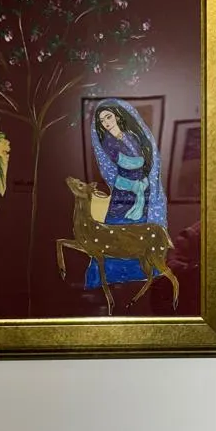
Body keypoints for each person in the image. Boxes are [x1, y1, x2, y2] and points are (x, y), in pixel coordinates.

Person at [84, 101, 167, 291]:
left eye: (108, 116)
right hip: (124, 194)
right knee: (116, 234)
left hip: (142, 192)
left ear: (117, 116)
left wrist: (144, 182)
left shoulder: (131, 136)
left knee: (140, 234)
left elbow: (144, 161)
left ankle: (142, 276)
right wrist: (137, 181)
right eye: (102, 120)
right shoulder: (109, 142)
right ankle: (108, 279)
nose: (106, 122)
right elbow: (130, 164)